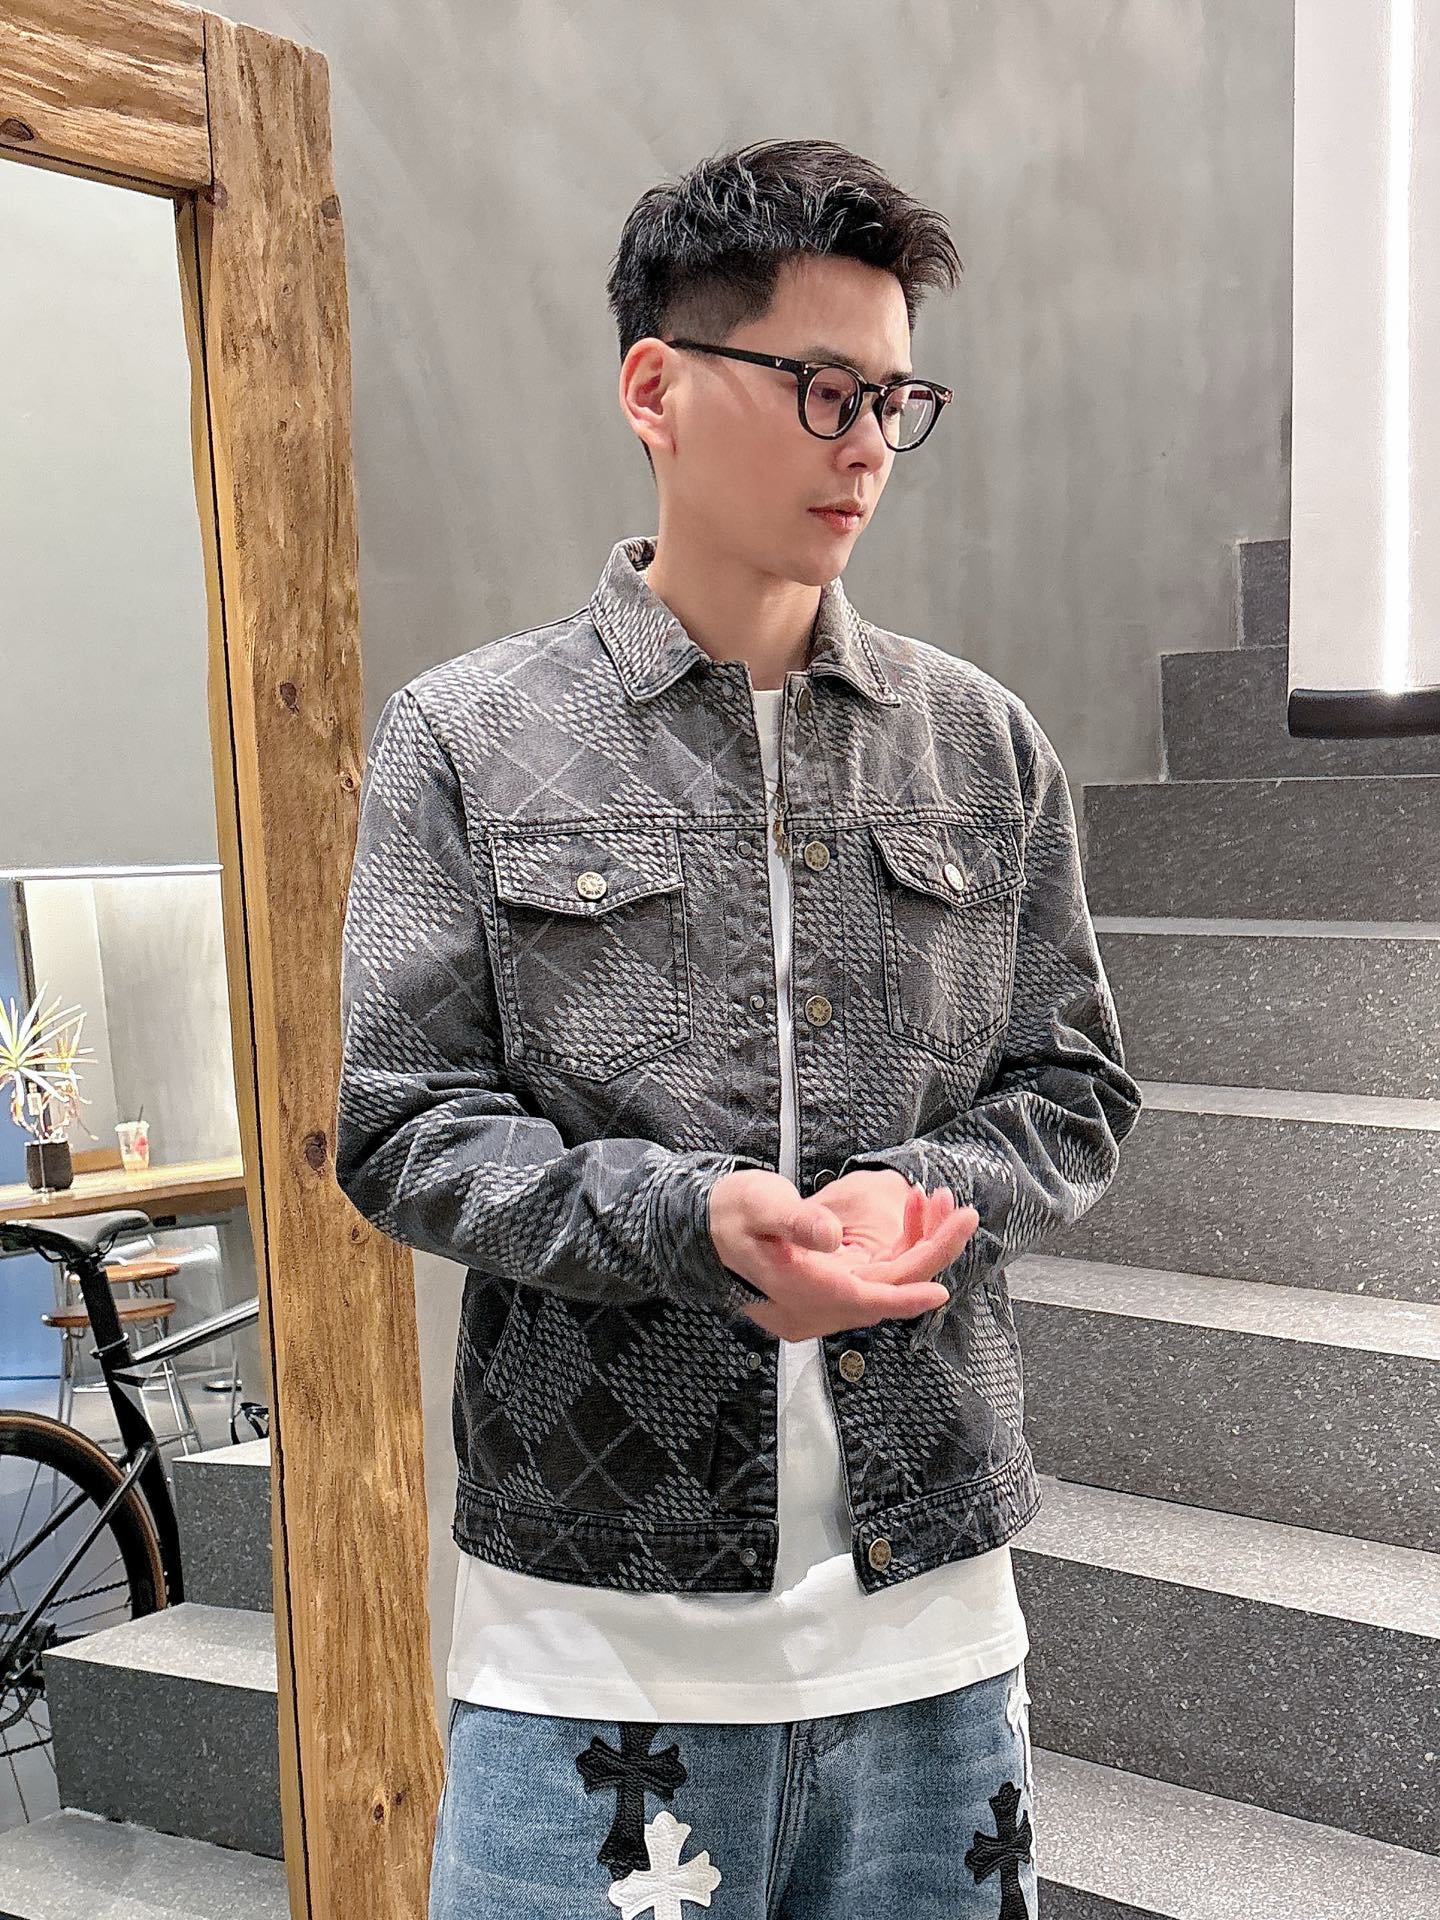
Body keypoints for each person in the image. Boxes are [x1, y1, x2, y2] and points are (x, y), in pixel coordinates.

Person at [335, 135, 1142, 1919]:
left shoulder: (981, 743)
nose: (867, 445)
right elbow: (401, 1123)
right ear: (658, 388)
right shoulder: (468, 737)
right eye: (824, 389)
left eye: (896, 400)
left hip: (934, 1634)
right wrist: (687, 1220)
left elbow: (1075, 1084)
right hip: (591, 1640)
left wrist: (918, 1196)